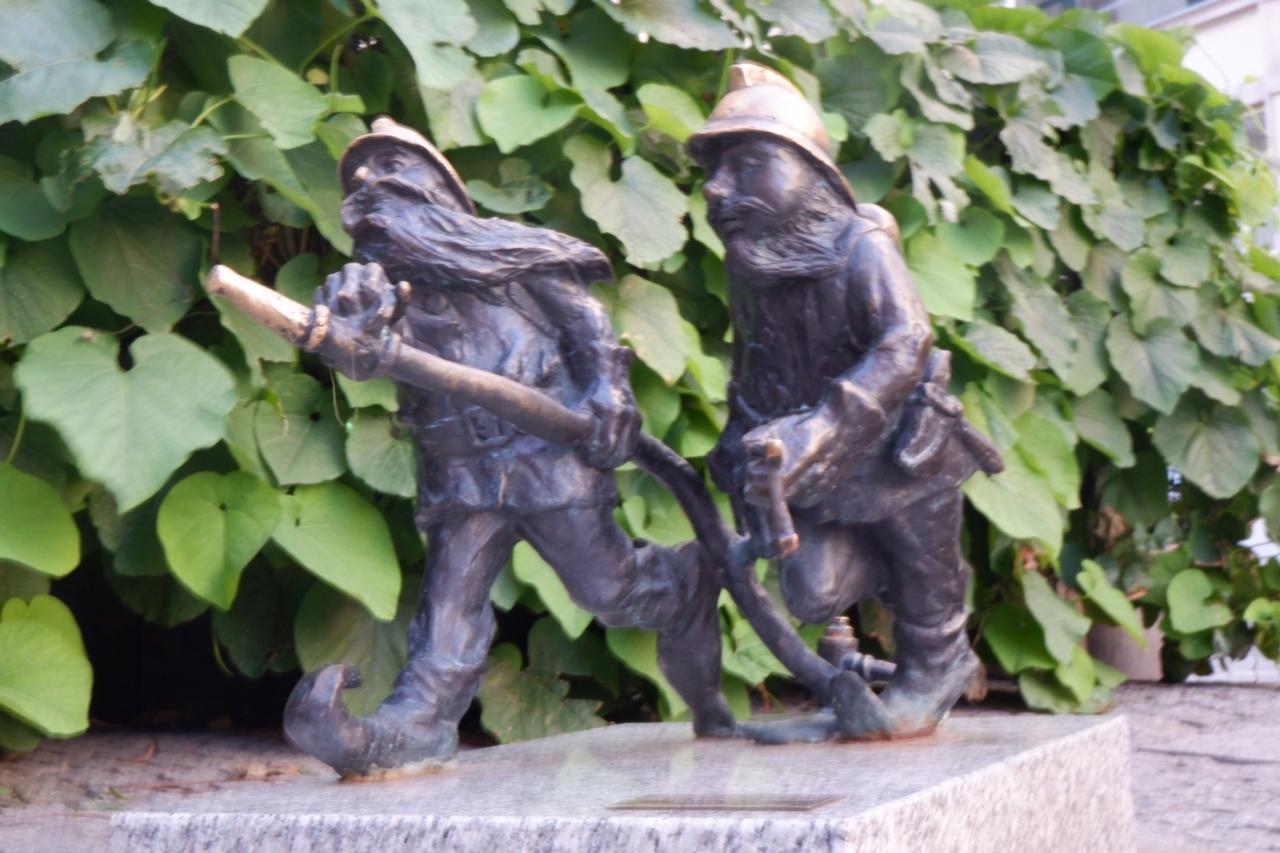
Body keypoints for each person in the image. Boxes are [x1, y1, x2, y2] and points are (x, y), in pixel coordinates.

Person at [285, 118, 733, 777]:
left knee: (607, 589)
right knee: (449, 606)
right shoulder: (377, 290)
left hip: (549, 457)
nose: (369, 189)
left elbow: (586, 321)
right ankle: (417, 724)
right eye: (360, 187)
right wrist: (348, 330)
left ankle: (683, 585)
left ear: (442, 196)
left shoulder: (511, 258)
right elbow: (356, 349)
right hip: (461, 474)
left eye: (393, 172)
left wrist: (609, 390)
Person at [686, 64, 1002, 740]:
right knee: (812, 590)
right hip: (810, 456)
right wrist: (737, 440)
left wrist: (827, 423)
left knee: (920, 557)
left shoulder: (861, 245)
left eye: (747, 166)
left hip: (894, 446)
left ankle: (937, 660)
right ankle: (869, 624)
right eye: (714, 171)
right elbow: (755, 361)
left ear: (812, 173)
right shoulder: (750, 265)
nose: (716, 187)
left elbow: (906, 338)